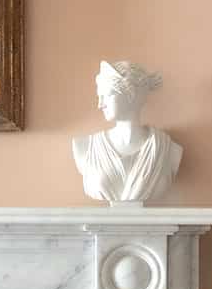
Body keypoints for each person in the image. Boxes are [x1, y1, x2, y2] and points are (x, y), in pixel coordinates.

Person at [73, 61, 183, 203]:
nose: (100, 104)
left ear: (130, 95)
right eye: (99, 97)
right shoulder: (85, 147)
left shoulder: (169, 150)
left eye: (106, 96)